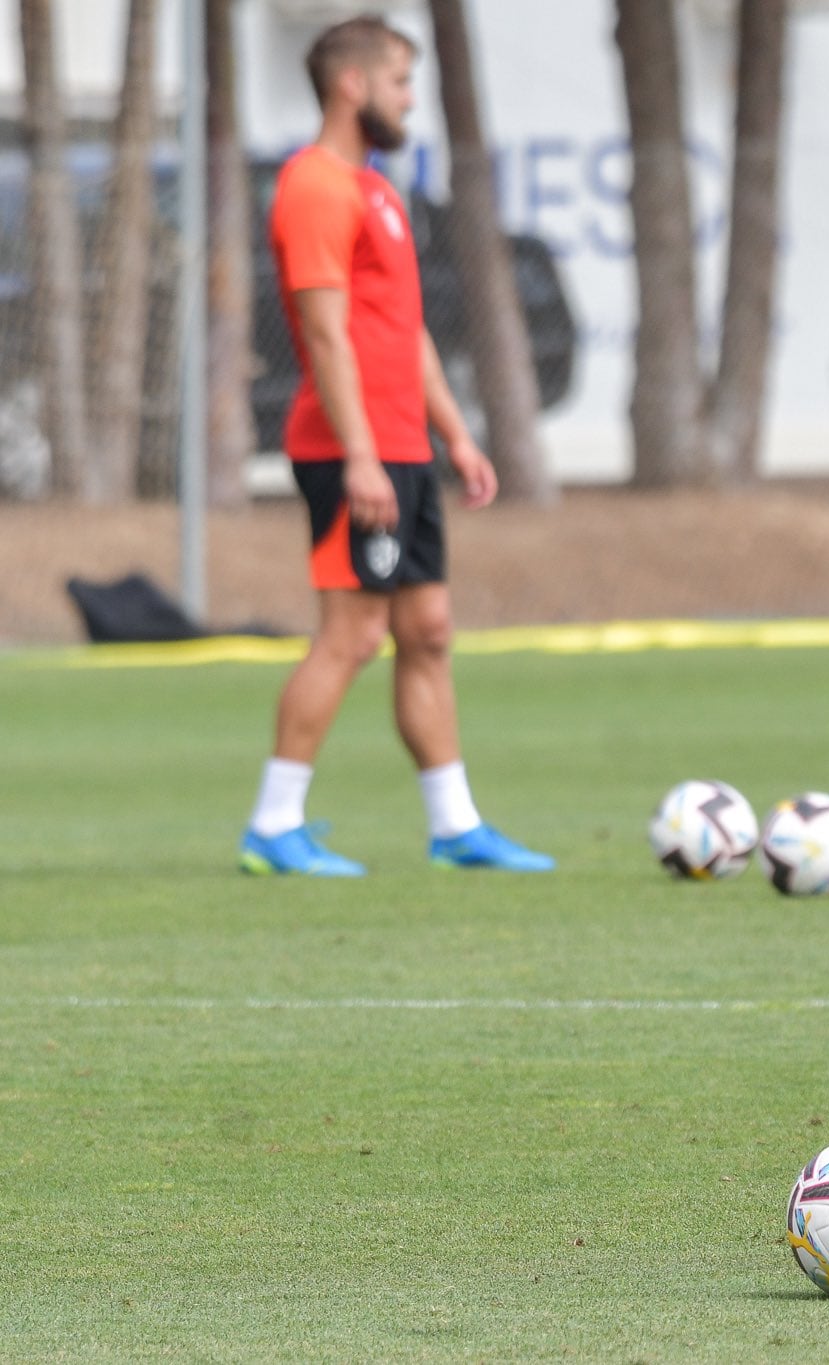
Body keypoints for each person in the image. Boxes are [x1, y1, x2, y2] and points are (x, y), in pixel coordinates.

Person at [238, 16, 551, 877]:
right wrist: (363, 455)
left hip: (404, 445)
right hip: (351, 450)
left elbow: (400, 328)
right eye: (401, 82)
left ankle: (455, 826)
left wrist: (454, 431)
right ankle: (273, 823)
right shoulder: (314, 187)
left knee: (429, 628)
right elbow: (327, 334)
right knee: (352, 632)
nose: (410, 99)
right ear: (353, 84)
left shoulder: (375, 187)